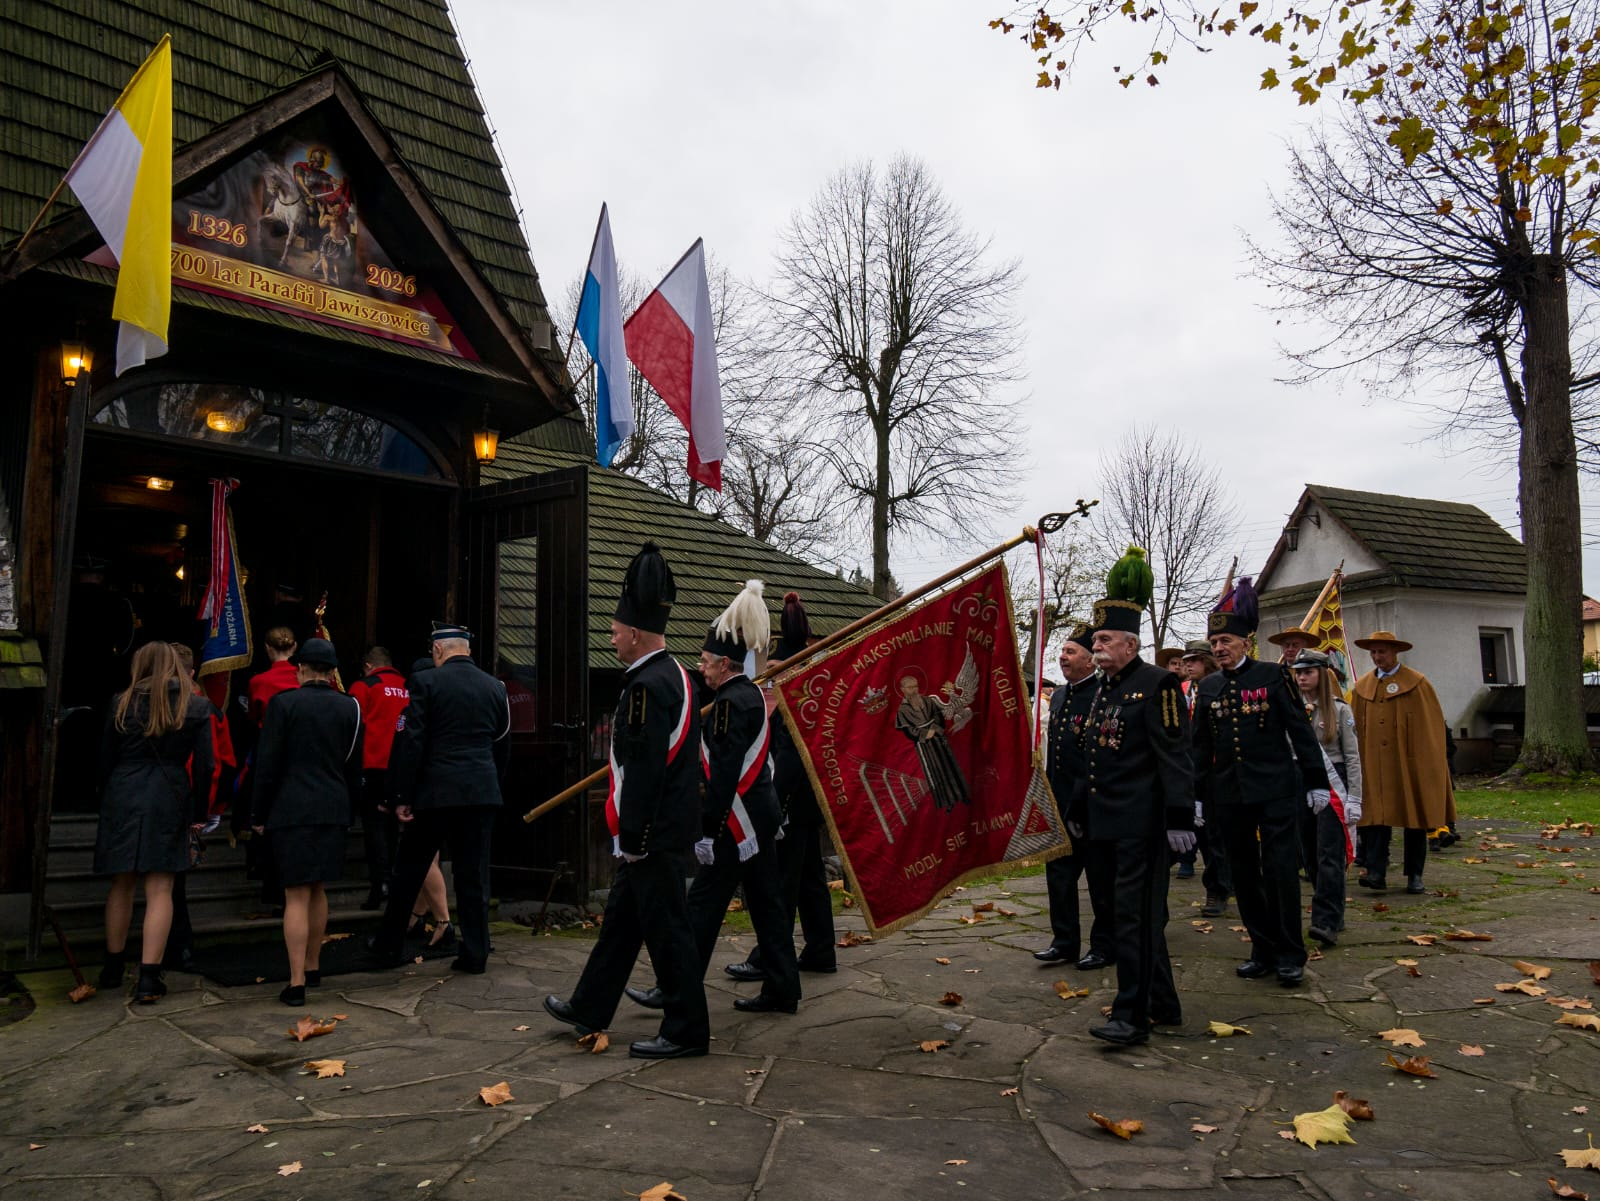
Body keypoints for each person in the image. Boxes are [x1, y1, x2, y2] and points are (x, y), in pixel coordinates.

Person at [544, 542, 711, 1060]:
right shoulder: (678, 675)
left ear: (636, 633)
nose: (611, 634)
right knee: (621, 925)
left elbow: (643, 770)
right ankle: (590, 1006)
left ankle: (686, 1031)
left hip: (651, 835)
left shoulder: (644, 687)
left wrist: (632, 838)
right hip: (660, 830)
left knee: (670, 935)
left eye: (616, 627)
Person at [625, 580, 802, 1017]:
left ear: (724, 663)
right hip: (757, 818)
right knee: (767, 906)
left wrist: (707, 830)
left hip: (734, 822)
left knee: (700, 907)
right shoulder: (749, 696)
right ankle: (782, 987)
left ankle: (674, 987)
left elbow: (724, 776)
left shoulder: (728, 704)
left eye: (705, 662)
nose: (701, 669)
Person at [1070, 550, 1195, 1048]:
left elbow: (1175, 755)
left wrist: (1181, 816)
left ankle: (1131, 1016)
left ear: (1129, 642)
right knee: (1128, 918)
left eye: (1102, 640)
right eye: (1094, 640)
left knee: (1136, 920)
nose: (1094, 646)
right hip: (1106, 824)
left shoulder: (1158, 684)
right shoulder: (1105, 688)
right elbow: (1094, 758)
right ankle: (1162, 1003)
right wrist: (1078, 811)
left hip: (1142, 826)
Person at [1191, 578, 1331, 989]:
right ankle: (1262, 948)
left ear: (1246, 642)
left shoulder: (1273, 676)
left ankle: (1291, 953)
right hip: (1229, 794)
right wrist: (1198, 796)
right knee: (1243, 873)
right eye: (1214, 641)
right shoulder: (1209, 686)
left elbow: (1300, 732)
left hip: (1275, 790)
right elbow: (1200, 747)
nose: (1219, 648)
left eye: (1226, 640)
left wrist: (1316, 782)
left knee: (1281, 871)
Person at [369, 624, 510, 974]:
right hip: (480, 791)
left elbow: (413, 741)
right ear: (467, 650)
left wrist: (402, 795)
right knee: (473, 875)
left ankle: (388, 946)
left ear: (437, 651)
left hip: (436, 792)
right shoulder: (495, 687)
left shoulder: (427, 682)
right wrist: (491, 783)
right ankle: (475, 952)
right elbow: (503, 743)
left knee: (409, 870)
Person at [94, 642, 216, 1004]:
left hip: (124, 791)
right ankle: (149, 975)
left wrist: (105, 797)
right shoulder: (195, 706)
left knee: (122, 883)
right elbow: (207, 766)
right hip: (170, 793)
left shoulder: (121, 703)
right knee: (161, 889)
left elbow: (104, 759)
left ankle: (113, 966)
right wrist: (200, 812)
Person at [728, 591, 837, 984]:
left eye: (775, 665)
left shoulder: (797, 699)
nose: (768, 673)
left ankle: (765, 957)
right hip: (807, 803)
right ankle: (821, 948)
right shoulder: (803, 693)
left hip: (792, 802)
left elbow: (790, 760)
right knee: (809, 879)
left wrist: (776, 802)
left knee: (780, 884)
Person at [251, 637, 363, 1006]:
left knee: (295, 894)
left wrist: (258, 814)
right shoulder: (350, 707)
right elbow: (352, 764)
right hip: (332, 805)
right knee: (318, 889)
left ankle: (296, 979)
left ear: (301, 668)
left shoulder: (284, 704)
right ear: (332, 672)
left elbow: (266, 766)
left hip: (291, 806)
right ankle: (313, 965)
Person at [1033, 623, 1115, 970]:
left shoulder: (1104, 694)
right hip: (1060, 802)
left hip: (1093, 806)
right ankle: (1064, 941)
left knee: (1100, 880)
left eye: (1071, 652)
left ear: (1090, 660)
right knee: (1059, 878)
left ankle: (1104, 945)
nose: (1063, 658)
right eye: (1062, 651)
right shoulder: (1062, 695)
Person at [1351, 631, 1456, 894]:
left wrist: (1428, 763)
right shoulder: (1362, 687)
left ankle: (1415, 874)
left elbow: (1431, 729)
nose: (1377, 657)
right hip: (1373, 765)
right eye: (1373, 653)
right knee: (1375, 818)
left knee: (1414, 817)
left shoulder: (1417, 684)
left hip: (1408, 764)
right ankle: (1376, 872)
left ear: (1395, 652)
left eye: (1382, 652)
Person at [1291, 649, 1363, 947]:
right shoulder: (1292, 708)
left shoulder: (1339, 710)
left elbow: (1352, 756)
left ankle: (1325, 921)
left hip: (1334, 781)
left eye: (1308, 671)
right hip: (1300, 782)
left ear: (1322, 674)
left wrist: (1355, 797)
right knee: (1309, 854)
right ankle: (1335, 910)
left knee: (1329, 853)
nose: (1301, 677)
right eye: (1298, 672)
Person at [347, 646, 409, 910]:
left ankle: (380, 882)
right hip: (401, 767)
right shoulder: (408, 686)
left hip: (372, 766)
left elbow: (352, 725)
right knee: (393, 827)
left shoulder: (364, 686)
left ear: (369, 666)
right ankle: (393, 881)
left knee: (373, 826)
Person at [1179, 640, 1232, 915]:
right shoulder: (1184, 690)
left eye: (1195, 660)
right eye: (1186, 660)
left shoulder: (1221, 686)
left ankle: (1218, 889)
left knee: (1217, 833)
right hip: (1191, 768)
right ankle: (1220, 881)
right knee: (1202, 831)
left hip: (1218, 769)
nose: (1188, 665)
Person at [895, 673, 971, 812]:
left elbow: (938, 716)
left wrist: (934, 728)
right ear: (903, 689)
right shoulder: (903, 710)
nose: (914, 690)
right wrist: (924, 734)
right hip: (925, 746)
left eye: (916, 686)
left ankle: (963, 795)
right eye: (910, 687)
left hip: (939, 739)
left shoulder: (928, 701)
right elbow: (907, 730)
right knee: (936, 771)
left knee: (951, 765)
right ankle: (948, 801)